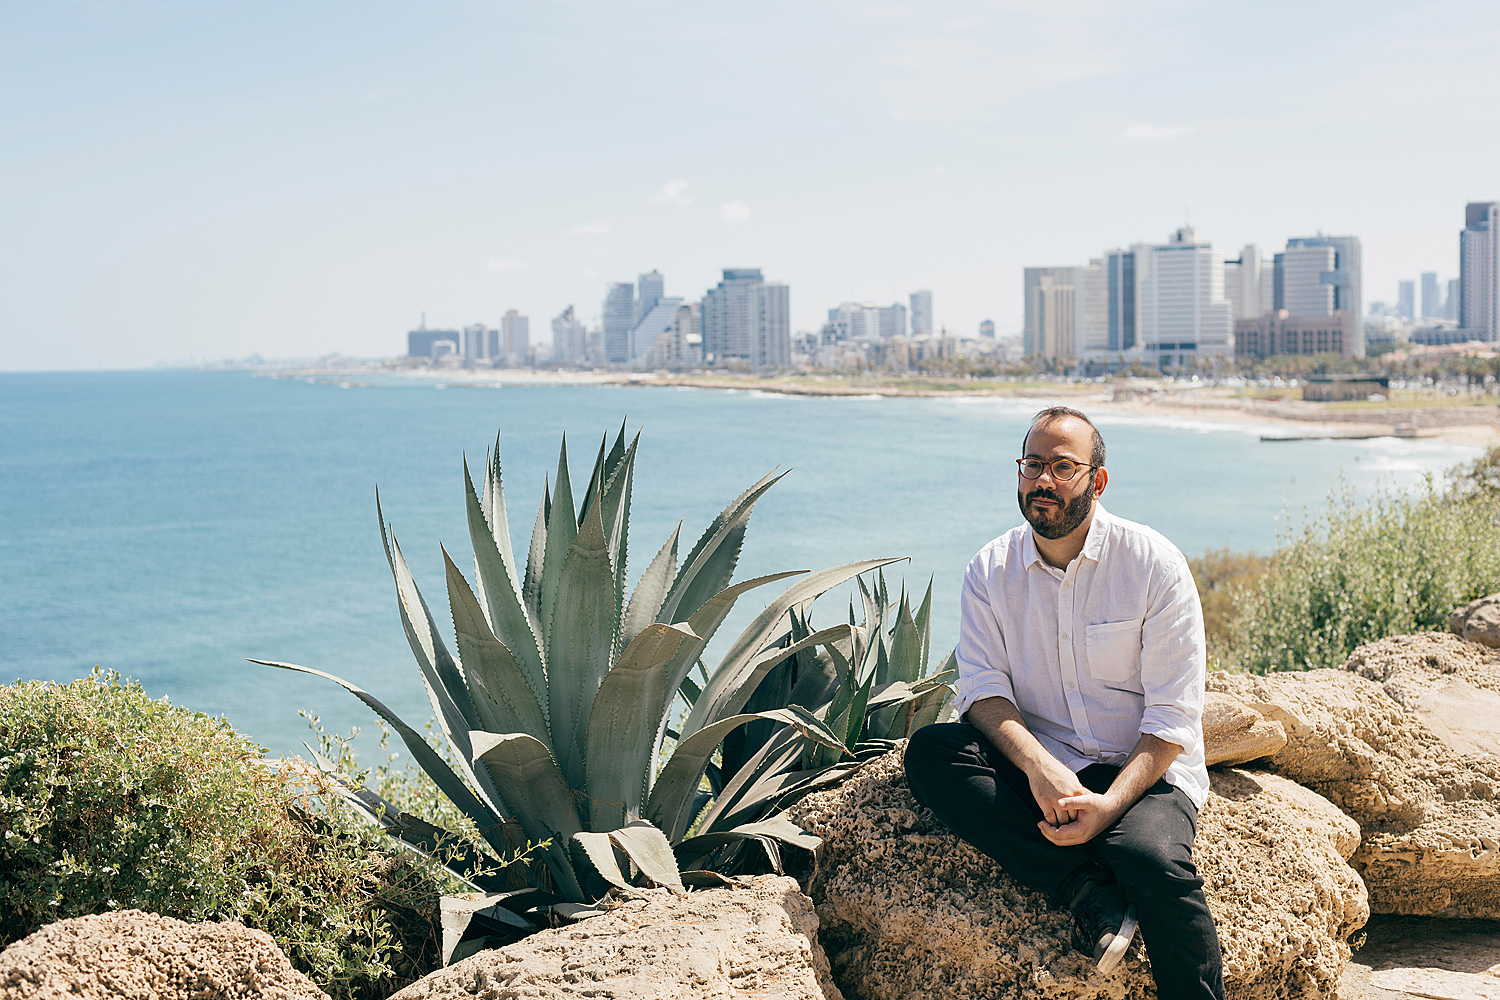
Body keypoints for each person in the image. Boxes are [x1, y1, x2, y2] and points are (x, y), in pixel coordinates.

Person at [903, 406, 1224, 1000]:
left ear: (1097, 482)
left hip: (1143, 770)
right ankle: (1085, 891)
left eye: (1062, 467)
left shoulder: (1154, 565)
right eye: (1032, 465)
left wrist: (1108, 807)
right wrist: (1038, 766)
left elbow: (1172, 718)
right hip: (1047, 759)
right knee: (930, 753)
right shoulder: (990, 570)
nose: (1042, 481)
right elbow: (983, 692)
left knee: (1151, 862)